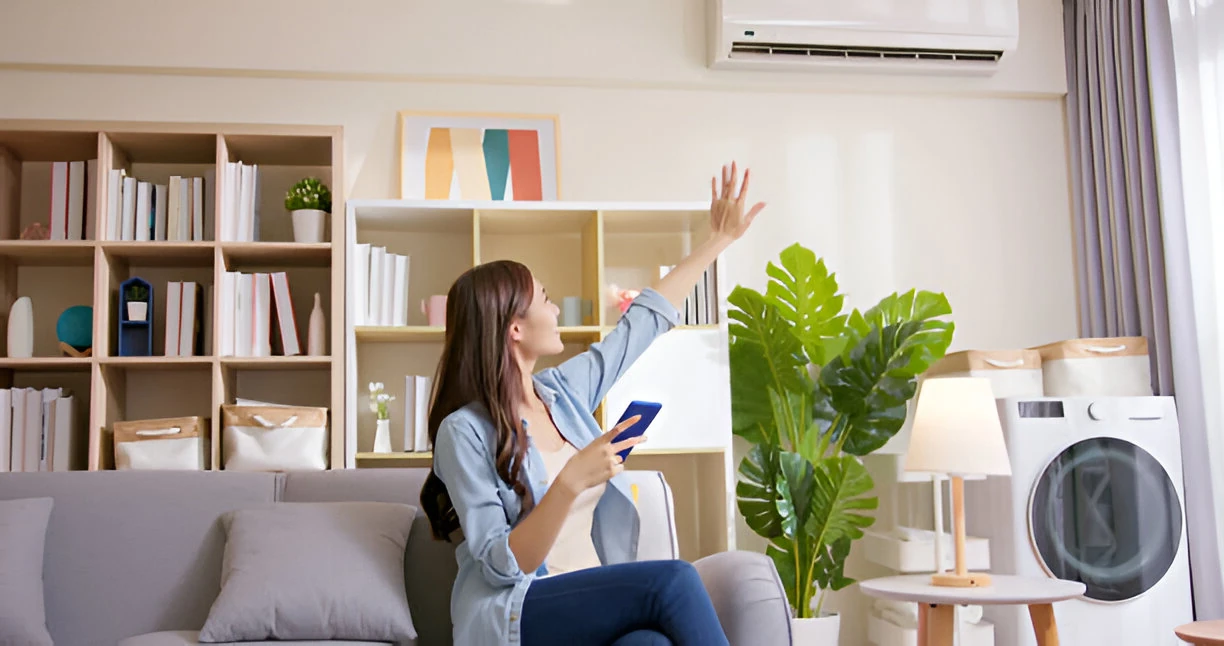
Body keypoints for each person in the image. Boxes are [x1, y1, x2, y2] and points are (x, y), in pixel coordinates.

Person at [420, 163, 766, 646]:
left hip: (587, 605)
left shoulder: (562, 393)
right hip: (520, 611)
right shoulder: (464, 432)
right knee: (673, 579)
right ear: (514, 328)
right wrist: (572, 479)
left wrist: (718, 240)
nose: (557, 307)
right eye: (544, 298)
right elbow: (502, 565)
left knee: (651, 645)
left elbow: (639, 326)